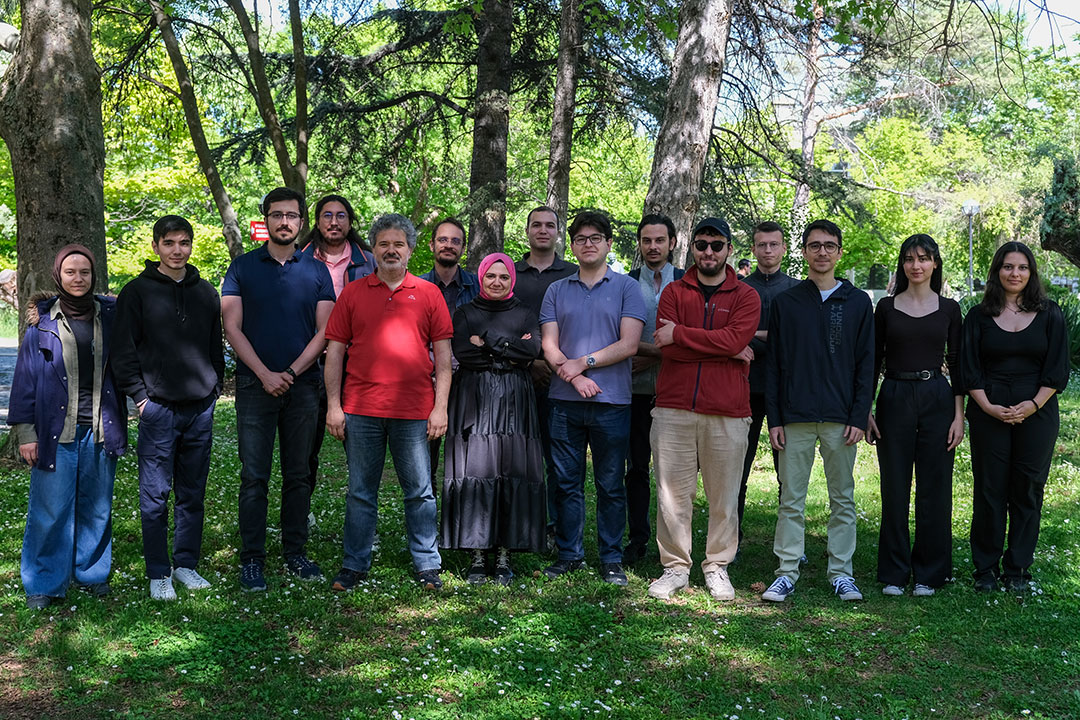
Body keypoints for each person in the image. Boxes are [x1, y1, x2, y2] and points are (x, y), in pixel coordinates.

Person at [324, 213, 452, 592]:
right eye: (384, 244)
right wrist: (334, 406)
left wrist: (440, 407)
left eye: (398, 244)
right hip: (360, 409)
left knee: (420, 492)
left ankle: (427, 564)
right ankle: (354, 564)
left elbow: (444, 360)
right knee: (360, 492)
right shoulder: (353, 293)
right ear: (373, 250)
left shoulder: (429, 294)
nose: (391, 250)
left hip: (414, 411)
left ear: (410, 250)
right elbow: (335, 354)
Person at [221, 187, 335, 592]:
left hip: (303, 387)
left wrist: (289, 372)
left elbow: (325, 331)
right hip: (254, 386)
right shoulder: (242, 267)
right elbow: (231, 326)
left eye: (291, 215)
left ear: (301, 222)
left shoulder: (317, 271)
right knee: (254, 476)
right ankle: (252, 559)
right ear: (265, 219)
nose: (284, 222)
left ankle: (295, 552)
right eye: (276, 215)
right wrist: (265, 374)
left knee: (298, 474)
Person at [112, 215, 225, 600]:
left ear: (191, 245)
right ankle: (159, 572)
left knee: (192, 493)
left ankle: (186, 565)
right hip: (157, 409)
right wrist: (141, 399)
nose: (178, 250)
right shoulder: (136, 292)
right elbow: (123, 351)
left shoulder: (206, 292)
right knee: (155, 495)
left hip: (200, 408)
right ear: (156, 246)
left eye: (184, 242)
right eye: (169, 243)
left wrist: (213, 390)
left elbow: (215, 346)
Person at [646, 218, 760, 601]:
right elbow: (669, 349)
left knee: (724, 496)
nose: (708, 252)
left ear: (729, 249)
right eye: (701, 244)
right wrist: (726, 349)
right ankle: (675, 568)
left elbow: (733, 338)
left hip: (728, 410)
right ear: (691, 248)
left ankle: (717, 566)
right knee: (671, 495)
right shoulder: (674, 291)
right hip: (674, 407)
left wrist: (681, 333)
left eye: (716, 245)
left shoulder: (746, 296)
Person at [9, 245, 127, 610]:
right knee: (49, 511)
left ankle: (91, 574)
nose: (78, 278)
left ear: (94, 275)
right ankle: (44, 583)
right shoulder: (42, 324)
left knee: (97, 507)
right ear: (58, 276)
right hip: (55, 432)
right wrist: (26, 434)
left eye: (85, 272)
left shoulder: (112, 317)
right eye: (70, 272)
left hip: (101, 428)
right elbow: (25, 381)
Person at [761, 219, 874, 603]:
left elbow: (866, 365)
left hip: (842, 419)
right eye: (814, 245)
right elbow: (774, 365)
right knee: (791, 499)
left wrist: (859, 416)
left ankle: (841, 572)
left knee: (842, 498)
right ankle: (786, 572)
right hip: (795, 416)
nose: (822, 252)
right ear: (804, 251)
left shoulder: (858, 302)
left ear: (839, 252)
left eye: (829, 245)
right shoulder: (787, 302)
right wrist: (775, 419)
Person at [539, 210, 646, 586]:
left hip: (612, 403)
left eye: (595, 238)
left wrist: (583, 364)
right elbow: (549, 346)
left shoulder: (627, 288)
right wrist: (574, 377)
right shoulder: (556, 290)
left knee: (610, 484)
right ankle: (569, 555)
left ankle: (611, 558)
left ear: (609, 244)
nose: (588, 244)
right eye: (581, 239)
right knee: (566, 482)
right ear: (571, 245)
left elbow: (629, 344)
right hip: (564, 402)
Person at [960, 241, 1069, 593]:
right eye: (1008, 266)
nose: (1015, 273)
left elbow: (1058, 368)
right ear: (997, 271)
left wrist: (1033, 405)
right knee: (989, 489)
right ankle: (985, 569)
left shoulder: (1050, 314)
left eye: (1022, 267)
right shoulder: (978, 316)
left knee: (1027, 489)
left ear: (1031, 273)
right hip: (988, 412)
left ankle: (1018, 569)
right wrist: (987, 406)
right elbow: (968, 368)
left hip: (1037, 413)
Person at [865, 234, 963, 597]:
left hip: (937, 396)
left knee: (935, 487)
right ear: (902, 264)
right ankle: (894, 571)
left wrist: (959, 416)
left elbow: (957, 363)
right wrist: (867, 409)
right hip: (894, 395)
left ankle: (930, 573)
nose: (916, 265)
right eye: (909, 259)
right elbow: (873, 360)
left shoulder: (950, 308)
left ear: (935, 263)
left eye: (923, 258)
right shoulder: (886, 308)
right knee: (894, 486)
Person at [441, 252, 544, 584]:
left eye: (503, 277)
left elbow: (531, 352)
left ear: (512, 280)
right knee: (476, 469)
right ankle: (477, 553)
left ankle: (503, 555)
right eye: (490, 276)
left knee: (511, 470)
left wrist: (486, 341)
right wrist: (510, 350)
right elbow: (464, 354)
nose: (497, 282)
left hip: (515, 401)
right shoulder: (465, 312)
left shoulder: (525, 313)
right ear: (481, 277)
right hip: (474, 399)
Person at [299, 194, 376, 522]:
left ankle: (363, 521)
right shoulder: (299, 258)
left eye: (341, 215)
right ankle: (300, 516)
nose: (334, 222)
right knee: (304, 449)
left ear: (350, 221)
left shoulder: (368, 261)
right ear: (317, 222)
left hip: (356, 364)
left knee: (360, 449)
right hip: (308, 363)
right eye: (327, 215)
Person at [514, 206, 578, 549]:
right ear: (527, 231)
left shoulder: (572, 273)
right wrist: (530, 362)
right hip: (516, 379)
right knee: (520, 457)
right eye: (536, 225)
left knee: (559, 459)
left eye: (549, 225)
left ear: (558, 232)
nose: (542, 230)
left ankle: (555, 529)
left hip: (562, 379)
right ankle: (522, 525)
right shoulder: (510, 273)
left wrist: (552, 364)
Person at [624, 214, 684, 565]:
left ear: (672, 243)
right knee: (636, 469)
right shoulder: (627, 283)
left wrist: (648, 356)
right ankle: (637, 538)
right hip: (633, 392)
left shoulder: (688, 282)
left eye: (660, 240)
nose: (653, 246)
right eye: (646, 240)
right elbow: (618, 335)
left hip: (675, 393)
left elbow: (692, 338)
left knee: (672, 473)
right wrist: (646, 353)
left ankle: (673, 542)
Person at [738, 221, 799, 548]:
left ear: (784, 249)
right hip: (743, 388)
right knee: (737, 470)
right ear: (753, 249)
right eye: (761, 245)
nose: (768, 250)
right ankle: (731, 538)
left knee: (788, 474)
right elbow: (732, 338)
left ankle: (790, 544)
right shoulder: (738, 289)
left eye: (774, 244)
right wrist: (770, 337)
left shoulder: (797, 291)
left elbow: (796, 342)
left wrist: (755, 336)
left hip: (785, 391)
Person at [420, 217, 479, 484]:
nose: (448, 245)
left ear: (463, 249)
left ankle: (461, 510)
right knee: (424, 461)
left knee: (466, 458)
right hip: (426, 381)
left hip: (467, 381)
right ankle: (426, 508)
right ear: (432, 244)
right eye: (442, 239)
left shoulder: (477, 287)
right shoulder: (417, 287)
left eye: (456, 241)